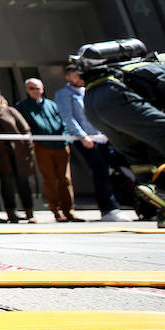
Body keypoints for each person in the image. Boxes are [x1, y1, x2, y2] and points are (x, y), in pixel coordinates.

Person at [74, 40, 165, 227]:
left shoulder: (130, 70)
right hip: (117, 99)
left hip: (92, 103)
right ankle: (163, 189)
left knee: (147, 159)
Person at [55, 63, 127, 222]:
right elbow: (68, 117)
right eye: (76, 74)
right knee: (100, 171)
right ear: (68, 77)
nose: (80, 77)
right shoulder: (64, 94)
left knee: (110, 170)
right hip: (86, 139)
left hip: (102, 137)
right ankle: (108, 208)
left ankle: (115, 204)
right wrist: (82, 136)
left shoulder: (88, 90)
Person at [16, 77, 79, 222]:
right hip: (42, 146)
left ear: (43, 89)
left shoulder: (51, 105)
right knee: (49, 179)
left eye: (38, 88)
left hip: (61, 145)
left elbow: (62, 121)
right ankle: (56, 210)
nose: (35, 91)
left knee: (65, 179)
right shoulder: (22, 107)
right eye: (31, 88)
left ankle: (69, 210)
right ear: (27, 90)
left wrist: (65, 137)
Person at [0, 87, 35, 223]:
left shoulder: (10, 111)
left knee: (23, 184)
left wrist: (28, 150)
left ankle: (30, 213)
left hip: (18, 154)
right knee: (7, 186)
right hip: (1, 157)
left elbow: (25, 130)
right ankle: (11, 213)